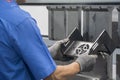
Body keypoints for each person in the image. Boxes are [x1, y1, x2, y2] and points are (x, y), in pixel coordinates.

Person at [0, 0, 97, 80]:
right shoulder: (21, 22)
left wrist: (47, 53)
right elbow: (53, 76)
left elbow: (8, 56)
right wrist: (80, 65)